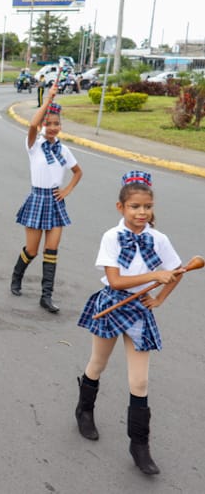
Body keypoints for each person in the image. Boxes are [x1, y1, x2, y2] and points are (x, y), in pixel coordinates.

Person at [74, 171, 184, 476]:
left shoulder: (159, 239)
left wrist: (160, 298)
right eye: (135, 206)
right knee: (98, 363)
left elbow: (177, 270)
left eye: (147, 206)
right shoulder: (112, 236)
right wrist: (155, 275)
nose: (141, 212)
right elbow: (115, 281)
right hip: (112, 303)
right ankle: (84, 410)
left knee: (140, 382)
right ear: (120, 207)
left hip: (140, 310)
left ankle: (139, 445)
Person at [10, 83, 82, 313]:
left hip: (55, 202)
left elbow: (77, 172)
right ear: (43, 125)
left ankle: (46, 296)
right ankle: (17, 276)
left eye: (56, 124)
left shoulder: (63, 149)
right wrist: (48, 100)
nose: (52, 128)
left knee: (51, 250)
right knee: (32, 250)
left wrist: (67, 190)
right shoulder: (34, 145)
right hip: (37, 199)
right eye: (48, 124)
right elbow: (32, 124)